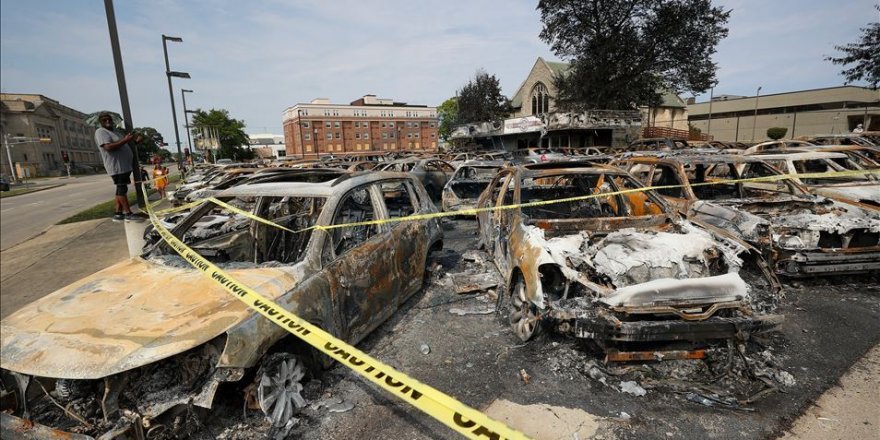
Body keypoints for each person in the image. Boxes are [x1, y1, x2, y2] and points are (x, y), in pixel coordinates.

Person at [94, 113, 141, 222]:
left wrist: (136, 140)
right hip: (116, 166)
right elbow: (108, 147)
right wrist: (125, 139)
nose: (108, 122)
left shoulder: (116, 132)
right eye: (105, 120)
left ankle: (118, 213)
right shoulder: (100, 132)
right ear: (100, 122)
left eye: (109, 120)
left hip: (124, 166)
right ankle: (128, 213)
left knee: (121, 189)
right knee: (122, 189)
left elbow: (125, 144)